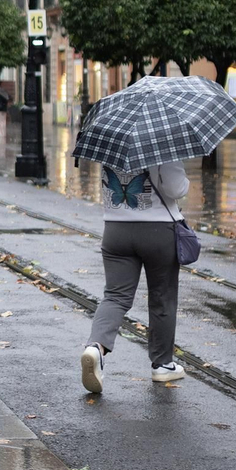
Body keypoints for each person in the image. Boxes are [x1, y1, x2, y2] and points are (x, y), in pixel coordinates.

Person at [79, 157, 191, 392]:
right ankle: (162, 364)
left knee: (115, 296)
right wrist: (185, 180)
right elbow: (176, 188)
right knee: (162, 296)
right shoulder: (162, 142)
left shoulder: (110, 141)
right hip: (159, 230)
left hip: (115, 229)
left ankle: (96, 347)